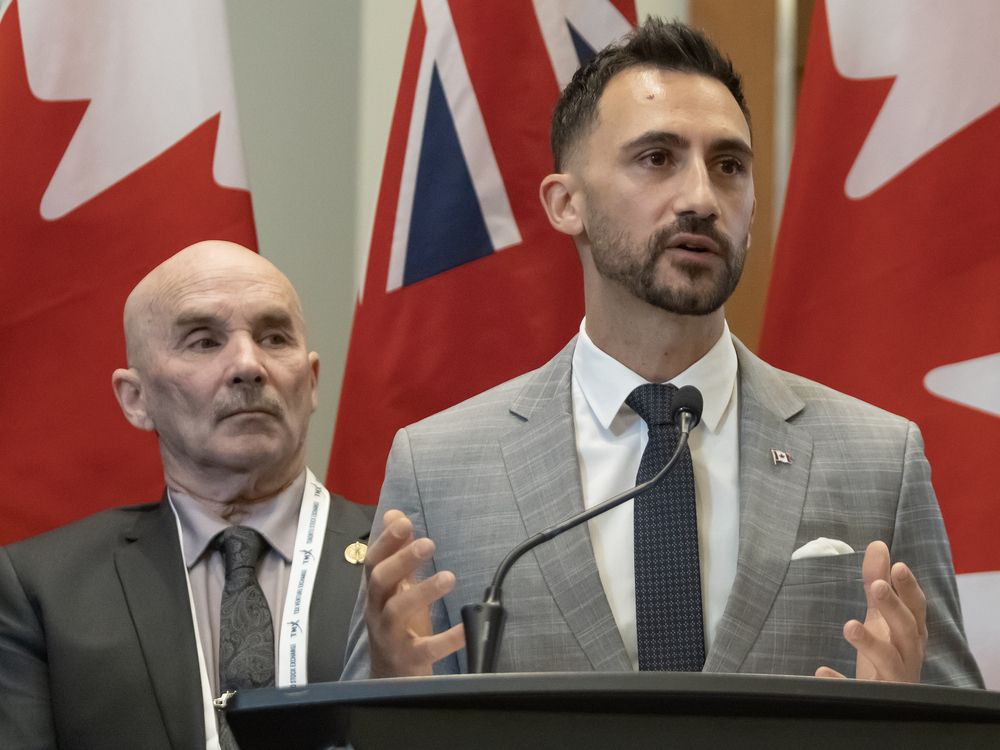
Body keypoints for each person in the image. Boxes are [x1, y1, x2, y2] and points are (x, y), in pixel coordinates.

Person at [342, 19, 982, 687]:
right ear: (567, 204)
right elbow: (365, 720)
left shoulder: (880, 461)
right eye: (657, 158)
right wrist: (388, 693)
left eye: (728, 166)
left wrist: (900, 726)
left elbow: (951, 718)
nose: (702, 199)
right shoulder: (440, 469)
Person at [0, 241, 374, 749]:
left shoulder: (404, 560)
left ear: (310, 384)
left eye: (274, 337)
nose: (248, 364)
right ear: (137, 400)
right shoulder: (41, 590)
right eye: (203, 342)